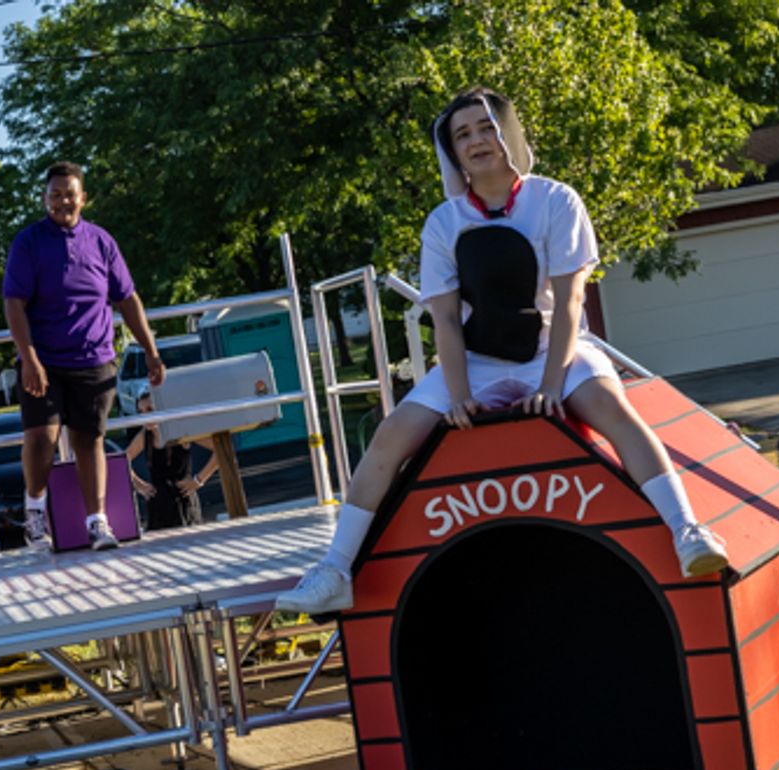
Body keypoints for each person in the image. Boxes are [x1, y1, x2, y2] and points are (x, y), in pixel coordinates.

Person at [277, 88, 728, 615]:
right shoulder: (443, 223)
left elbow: (570, 299)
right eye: (462, 135)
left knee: (612, 409)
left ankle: (687, 531)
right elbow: (445, 317)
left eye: (485, 128)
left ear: (507, 134)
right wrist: (461, 397)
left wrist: (552, 385)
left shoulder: (556, 201)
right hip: (477, 359)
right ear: (451, 153)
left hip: (551, 348)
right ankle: (335, 568)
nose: (476, 141)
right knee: (391, 434)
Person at [3, 161, 166, 551]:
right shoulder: (28, 242)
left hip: (94, 357)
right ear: (45, 199)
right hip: (44, 360)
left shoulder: (100, 241)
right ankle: (35, 514)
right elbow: (14, 303)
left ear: (83, 198)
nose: (61, 202)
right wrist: (29, 359)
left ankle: (97, 522)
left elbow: (126, 298)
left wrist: (151, 350)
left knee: (90, 438)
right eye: (54, 195)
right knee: (42, 437)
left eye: (69, 194)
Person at [125, 388, 220, 530]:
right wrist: (140, 485)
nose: (146, 416)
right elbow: (123, 460)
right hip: (157, 507)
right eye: (141, 412)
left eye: (150, 409)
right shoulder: (144, 436)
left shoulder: (180, 429)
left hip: (183, 503)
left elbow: (220, 450)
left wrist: (199, 480)